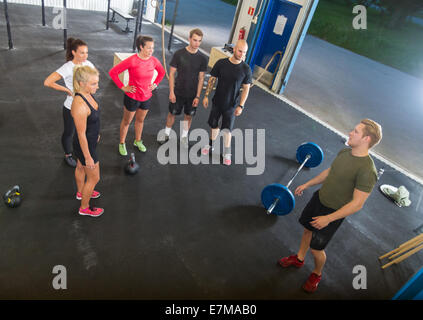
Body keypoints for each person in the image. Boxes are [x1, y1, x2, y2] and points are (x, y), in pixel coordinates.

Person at [278, 119, 383, 293]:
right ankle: (299, 258)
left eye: (356, 131)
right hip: (319, 199)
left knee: (316, 248)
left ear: (366, 139)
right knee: (306, 230)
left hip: (333, 213)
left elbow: (357, 204)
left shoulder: (367, 170)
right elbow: (329, 173)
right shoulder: (345, 152)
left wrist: (329, 218)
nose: (350, 132)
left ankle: (317, 274)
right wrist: (308, 184)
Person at [109, 35, 165, 156]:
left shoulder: (153, 61)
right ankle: (122, 143)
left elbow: (162, 72)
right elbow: (113, 72)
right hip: (132, 97)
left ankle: (137, 141)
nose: (152, 51)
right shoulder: (132, 60)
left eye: (153, 48)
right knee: (126, 122)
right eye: (149, 48)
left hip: (146, 97)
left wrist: (155, 84)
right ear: (141, 47)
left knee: (140, 121)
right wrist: (123, 87)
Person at [44, 38, 95, 167]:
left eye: (86, 52)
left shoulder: (88, 64)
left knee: (86, 131)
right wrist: (66, 90)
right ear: (73, 52)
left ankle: (83, 151)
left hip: (87, 105)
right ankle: (68, 154)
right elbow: (48, 82)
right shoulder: (68, 67)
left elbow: (94, 80)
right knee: (69, 132)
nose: (85, 56)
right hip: (72, 106)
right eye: (82, 53)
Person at [201, 39, 252, 166]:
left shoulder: (246, 69)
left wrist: (241, 105)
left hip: (231, 105)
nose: (242, 54)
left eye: (244, 52)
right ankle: (211, 145)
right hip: (217, 101)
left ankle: (226, 153)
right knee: (213, 125)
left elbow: (246, 89)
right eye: (240, 51)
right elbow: (212, 79)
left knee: (227, 130)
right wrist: (206, 96)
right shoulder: (221, 63)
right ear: (234, 49)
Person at [158, 28, 207, 147]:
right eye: (195, 40)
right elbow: (171, 74)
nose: (197, 43)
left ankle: (184, 137)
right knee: (172, 113)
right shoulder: (179, 54)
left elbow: (201, 79)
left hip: (192, 94)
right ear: (189, 39)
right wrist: (171, 92)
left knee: (188, 116)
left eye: (199, 41)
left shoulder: (202, 58)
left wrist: (197, 96)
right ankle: (166, 133)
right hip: (178, 91)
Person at [71, 66, 103, 217]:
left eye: (97, 83)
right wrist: (88, 156)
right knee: (94, 177)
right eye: (93, 84)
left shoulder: (87, 94)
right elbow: (81, 133)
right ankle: (84, 208)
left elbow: (91, 123)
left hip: (88, 141)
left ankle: (80, 192)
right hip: (85, 146)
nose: (97, 86)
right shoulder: (80, 105)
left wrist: (96, 133)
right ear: (81, 83)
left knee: (80, 167)